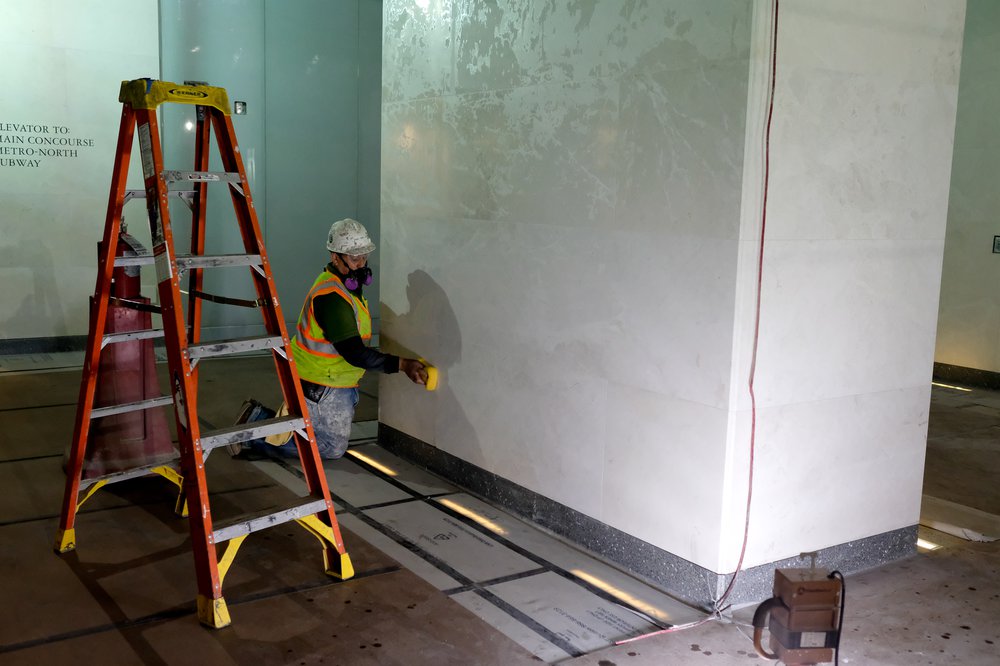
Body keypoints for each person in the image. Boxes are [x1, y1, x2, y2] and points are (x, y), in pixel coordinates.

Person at [230, 218, 427, 460]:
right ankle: (253, 427)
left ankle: (268, 424)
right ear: (336, 257)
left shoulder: (345, 287)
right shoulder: (332, 297)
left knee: (316, 435)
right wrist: (402, 365)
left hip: (327, 378)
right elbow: (354, 352)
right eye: (355, 258)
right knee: (330, 446)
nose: (362, 264)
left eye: (364, 256)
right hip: (321, 382)